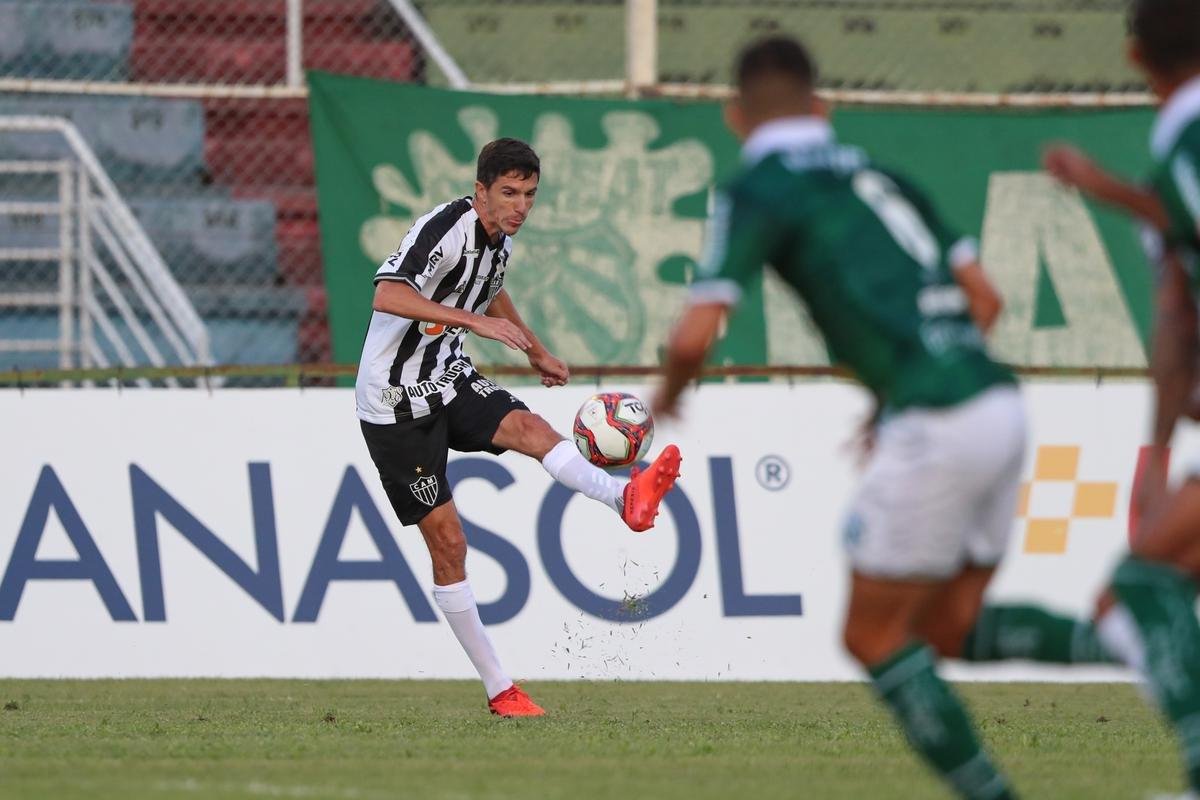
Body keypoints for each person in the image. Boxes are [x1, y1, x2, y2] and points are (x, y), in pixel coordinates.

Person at [653, 37, 1024, 799]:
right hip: (999, 400)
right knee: (949, 626)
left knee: (871, 634)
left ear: (734, 117)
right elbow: (986, 301)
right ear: (824, 108)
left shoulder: (759, 188)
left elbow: (695, 332)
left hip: (938, 420)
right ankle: (1138, 641)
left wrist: (667, 396)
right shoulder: (886, 175)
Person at [957, 0, 1200, 794]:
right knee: (1147, 583)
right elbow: (1174, 318)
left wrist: (1101, 186)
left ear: (1134, 57)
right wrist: (1157, 450)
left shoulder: (1186, 134)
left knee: (1142, 584)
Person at [357, 138, 682, 718]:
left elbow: (491, 288)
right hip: (395, 402)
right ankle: (499, 688)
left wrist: (535, 349)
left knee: (530, 428)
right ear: (480, 191)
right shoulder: (446, 228)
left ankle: (624, 497)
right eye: (508, 193)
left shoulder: (498, 241)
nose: (520, 206)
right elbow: (387, 293)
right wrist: (472, 323)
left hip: (447, 378)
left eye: (529, 194)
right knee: (450, 545)